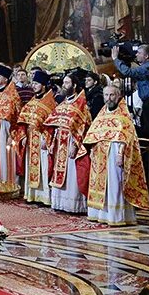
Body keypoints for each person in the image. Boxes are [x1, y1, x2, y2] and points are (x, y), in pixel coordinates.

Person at [83, 84, 149, 225]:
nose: (109, 98)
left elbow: (126, 137)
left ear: (118, 96)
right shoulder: (102, 113)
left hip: (115, 154)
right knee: (100, 184)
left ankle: (116, 216)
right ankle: (100, 213)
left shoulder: (123, 114)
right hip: (100, 155)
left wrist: (120, 154)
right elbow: (93, 133)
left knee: (115, 184)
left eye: (112, 95)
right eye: (106, 95)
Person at [43, 71, 91, 214]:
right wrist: (50, 141)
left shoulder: (81, 105)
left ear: (74, 85)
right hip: (59, 143)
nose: (64, 85)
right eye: (64, 83)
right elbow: (52, 123)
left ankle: (73, 206)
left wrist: (75, 145)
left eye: (67, 83)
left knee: (71, 174)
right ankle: (59, 203)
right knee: (59, 172)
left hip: (71, 143)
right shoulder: (62, 104)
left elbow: (83, 127)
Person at [17, 69, 57, 205]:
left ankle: (44, 197)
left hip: (42, 139)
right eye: (33, 83)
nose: (33, 86)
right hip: (30, 138)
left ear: (44, 86)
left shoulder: (50, 103)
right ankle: (32, 195)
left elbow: (52, 124)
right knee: (31, 167)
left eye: (36, 83)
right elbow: (22, 121)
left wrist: (47, 139)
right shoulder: (31, 102)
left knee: (43, 168)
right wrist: (22, 136)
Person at [114, 43, 149, 138]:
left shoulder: (147, 67)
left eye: (139, 53)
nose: (136, 55)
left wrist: (115, 59)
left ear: (146, 56)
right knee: (148, 128)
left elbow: (127, 72)